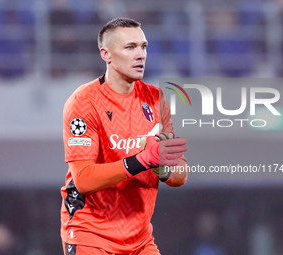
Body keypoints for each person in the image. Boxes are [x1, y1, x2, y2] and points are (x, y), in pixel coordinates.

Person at [60, 17, 188, 255]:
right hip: (92, 235)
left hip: (140, 241)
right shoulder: (84, 102)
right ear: (106, 54)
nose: (141, 55)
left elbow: (180, 173)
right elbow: (84, 180)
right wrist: (142, 160)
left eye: (143, 47)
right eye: (130, 47)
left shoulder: (156, 99)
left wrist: (163, 168)